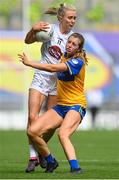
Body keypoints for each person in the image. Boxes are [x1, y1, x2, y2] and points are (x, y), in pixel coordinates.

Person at [18, 33, 88, 173]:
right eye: (69, 42)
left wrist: (29, 62)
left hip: (76, 105)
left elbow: (52, 68)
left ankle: (75, 168)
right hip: (61, 106)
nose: (69, 45)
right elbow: (48, 51)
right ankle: (50, 161)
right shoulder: (63, 55)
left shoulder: (77, 62)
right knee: (32, 131)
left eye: (74, 44)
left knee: (63, 134)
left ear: (79, 49)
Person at [24, 4, 77, 173]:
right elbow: (28, 40)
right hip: (40, 77)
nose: (73, 21)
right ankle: (33, 157)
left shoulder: (73, 38)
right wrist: (33, 30)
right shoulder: (49, 30)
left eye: (75, 18)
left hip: (57, 82)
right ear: (60, 18)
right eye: (70, 17)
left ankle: (42, 151)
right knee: (33, 116)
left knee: (51, 124)